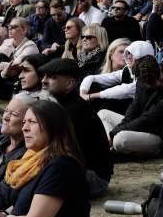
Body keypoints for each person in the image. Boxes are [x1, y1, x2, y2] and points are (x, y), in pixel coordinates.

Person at [39, 58, 113, 197]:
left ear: (69, 84)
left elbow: (61, 154)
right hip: (76, 171)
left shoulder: (75, 111)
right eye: (44, 76)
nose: (44, 80)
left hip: (94, 178)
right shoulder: (61, 106)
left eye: (52, 77)